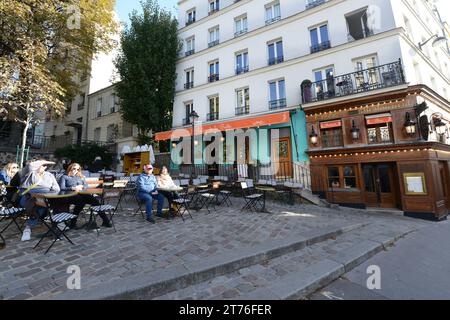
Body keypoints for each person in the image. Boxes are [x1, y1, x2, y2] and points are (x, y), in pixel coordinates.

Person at [59, 162, 112, 229]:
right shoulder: (64, 177)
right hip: (70, 195)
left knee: (95, 201)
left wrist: (82, 187)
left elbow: (86, 186)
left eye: (78, 169)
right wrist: (73, 188)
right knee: (81, 201)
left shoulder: (79, 176)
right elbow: (61, 188)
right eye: (74, 169)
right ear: (70, 168)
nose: (76, 171)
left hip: (82, 194)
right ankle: (73, 223)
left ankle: (105, 220)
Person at [19, 160, 61, 241]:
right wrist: (40, 162)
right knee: (41, 205)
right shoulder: (29, 174)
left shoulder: (49, 175)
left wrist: (48, 193)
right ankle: (28, 228)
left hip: (45, 197)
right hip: (28, 196)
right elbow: (29, 167)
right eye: (42, 165)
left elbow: (57, 188)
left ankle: (55, 225)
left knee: (52, 203)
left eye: (45, 165)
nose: (43, 167)